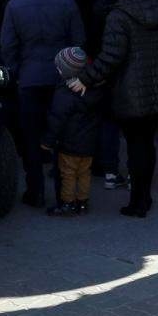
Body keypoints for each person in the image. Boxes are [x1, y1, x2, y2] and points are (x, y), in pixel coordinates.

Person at [70, 0, 158, 218]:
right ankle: (145, 197)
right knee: (147, 145)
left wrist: (85, 78)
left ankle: (137, 203)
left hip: (128, 91)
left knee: (134, 146)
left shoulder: (118, 15)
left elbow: (111, 56)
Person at [0, 0, 85, 207]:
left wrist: (17, 71)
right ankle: (63, 192)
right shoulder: (66, 2)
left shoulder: (15, 5)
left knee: (30, 136)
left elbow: (8, 46)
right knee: (61, 135)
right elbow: (79, 41)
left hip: (29, 79)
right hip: (61, 79)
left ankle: (34, 190)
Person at [91, 0, 145, 190]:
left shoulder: (105, 3)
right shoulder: (152, 3)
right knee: (137, 130)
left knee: (110, 124)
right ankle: (135, 174)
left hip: (112, 73)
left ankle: (111, 171)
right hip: (140, 72)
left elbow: (105, 47)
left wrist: (91, 73)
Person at [42, 47, 103, 216]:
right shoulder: (95, 88)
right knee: (84, 173)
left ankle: (67, 203)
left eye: (59, 68)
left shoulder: (65, 92)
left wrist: (47, 141)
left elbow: (57, 119)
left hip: (69, 143)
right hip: (89, 142)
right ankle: (83, 202)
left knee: (67, 174)